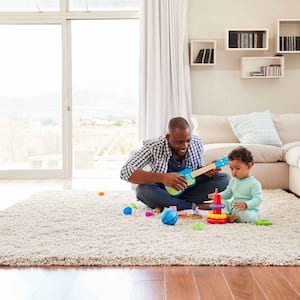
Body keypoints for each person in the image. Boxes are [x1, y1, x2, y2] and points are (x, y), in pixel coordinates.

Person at [120, 116, 230, 211]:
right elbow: (126, 171)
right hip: (163, 189)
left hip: (188, 188)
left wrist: (206, 172)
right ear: (168, 137)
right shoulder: (154, 146)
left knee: (224, 179)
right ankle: (194, 205)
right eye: (179, 142)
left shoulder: (196, 142)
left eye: (187, 141)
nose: (184, 146)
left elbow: (196, 173)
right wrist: (163, 177)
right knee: (142, 190)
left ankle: (170, 203)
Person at [209, 146, 263, 223]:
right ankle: (228, 215)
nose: (234, 172)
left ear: (249, 166)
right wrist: (218, 196)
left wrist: (246, 204)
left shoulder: (254, 183)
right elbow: (228, 193)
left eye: (237, 168)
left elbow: (258, 199)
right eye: (231, 169)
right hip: (234, 207)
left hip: (247, 209)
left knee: (246, 216)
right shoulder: (233, 180)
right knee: (221, 202)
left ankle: (232, 216)